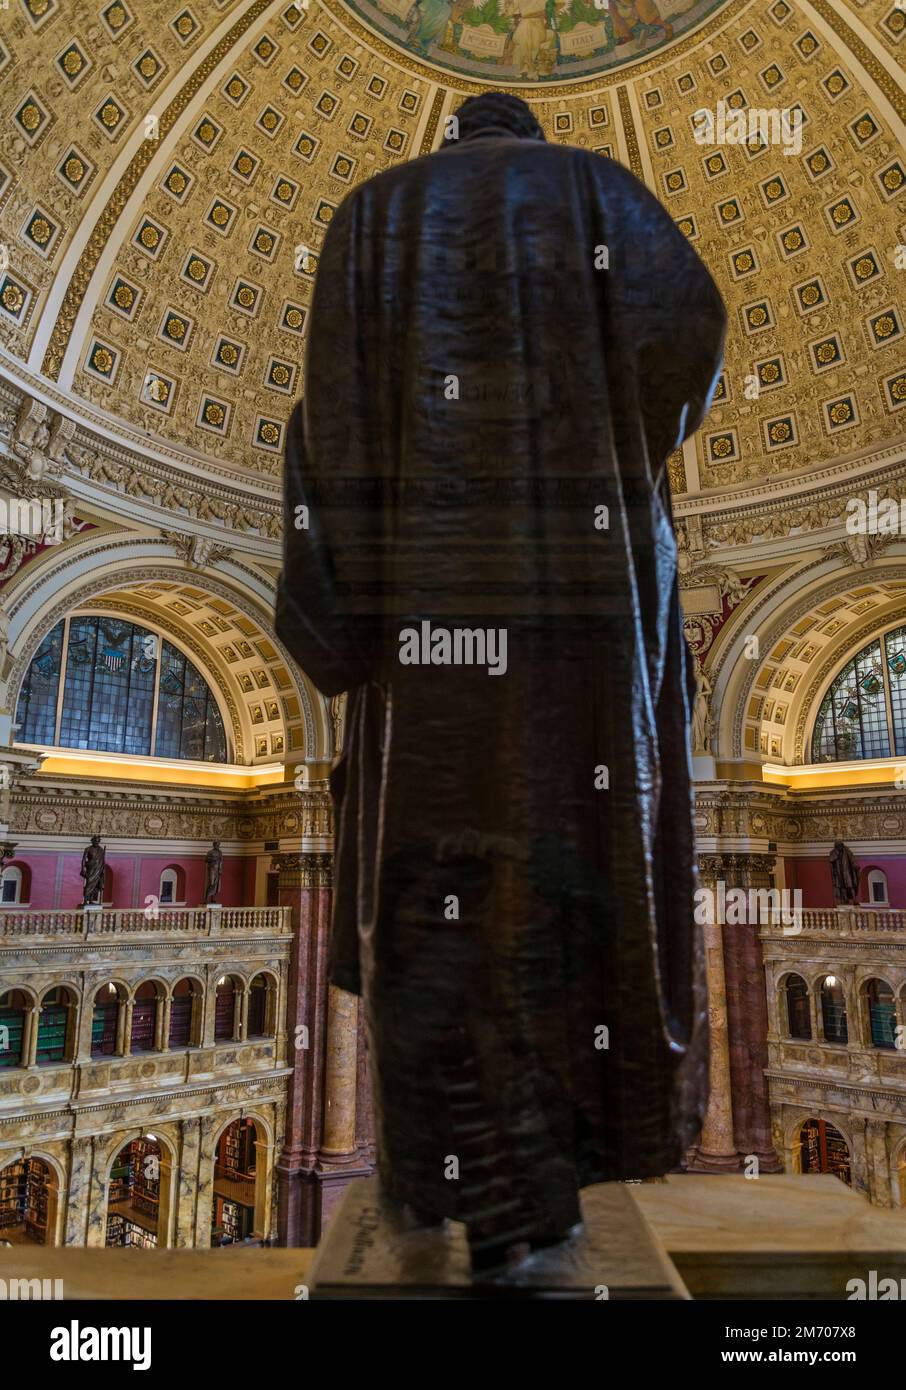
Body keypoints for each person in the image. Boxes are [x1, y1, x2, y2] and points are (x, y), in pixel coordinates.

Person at [277, 91, 726, 1273]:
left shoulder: (372, 213)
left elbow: (323, 421)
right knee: (573, 864)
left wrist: (341, 594)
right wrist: (613, 441)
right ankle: (542, 1204)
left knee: (430, 880)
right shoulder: (602, 192)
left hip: (425, 609)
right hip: (581, 605)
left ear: (455, 133)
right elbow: (690, 339)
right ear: (525, 131)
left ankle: (430, 1175)